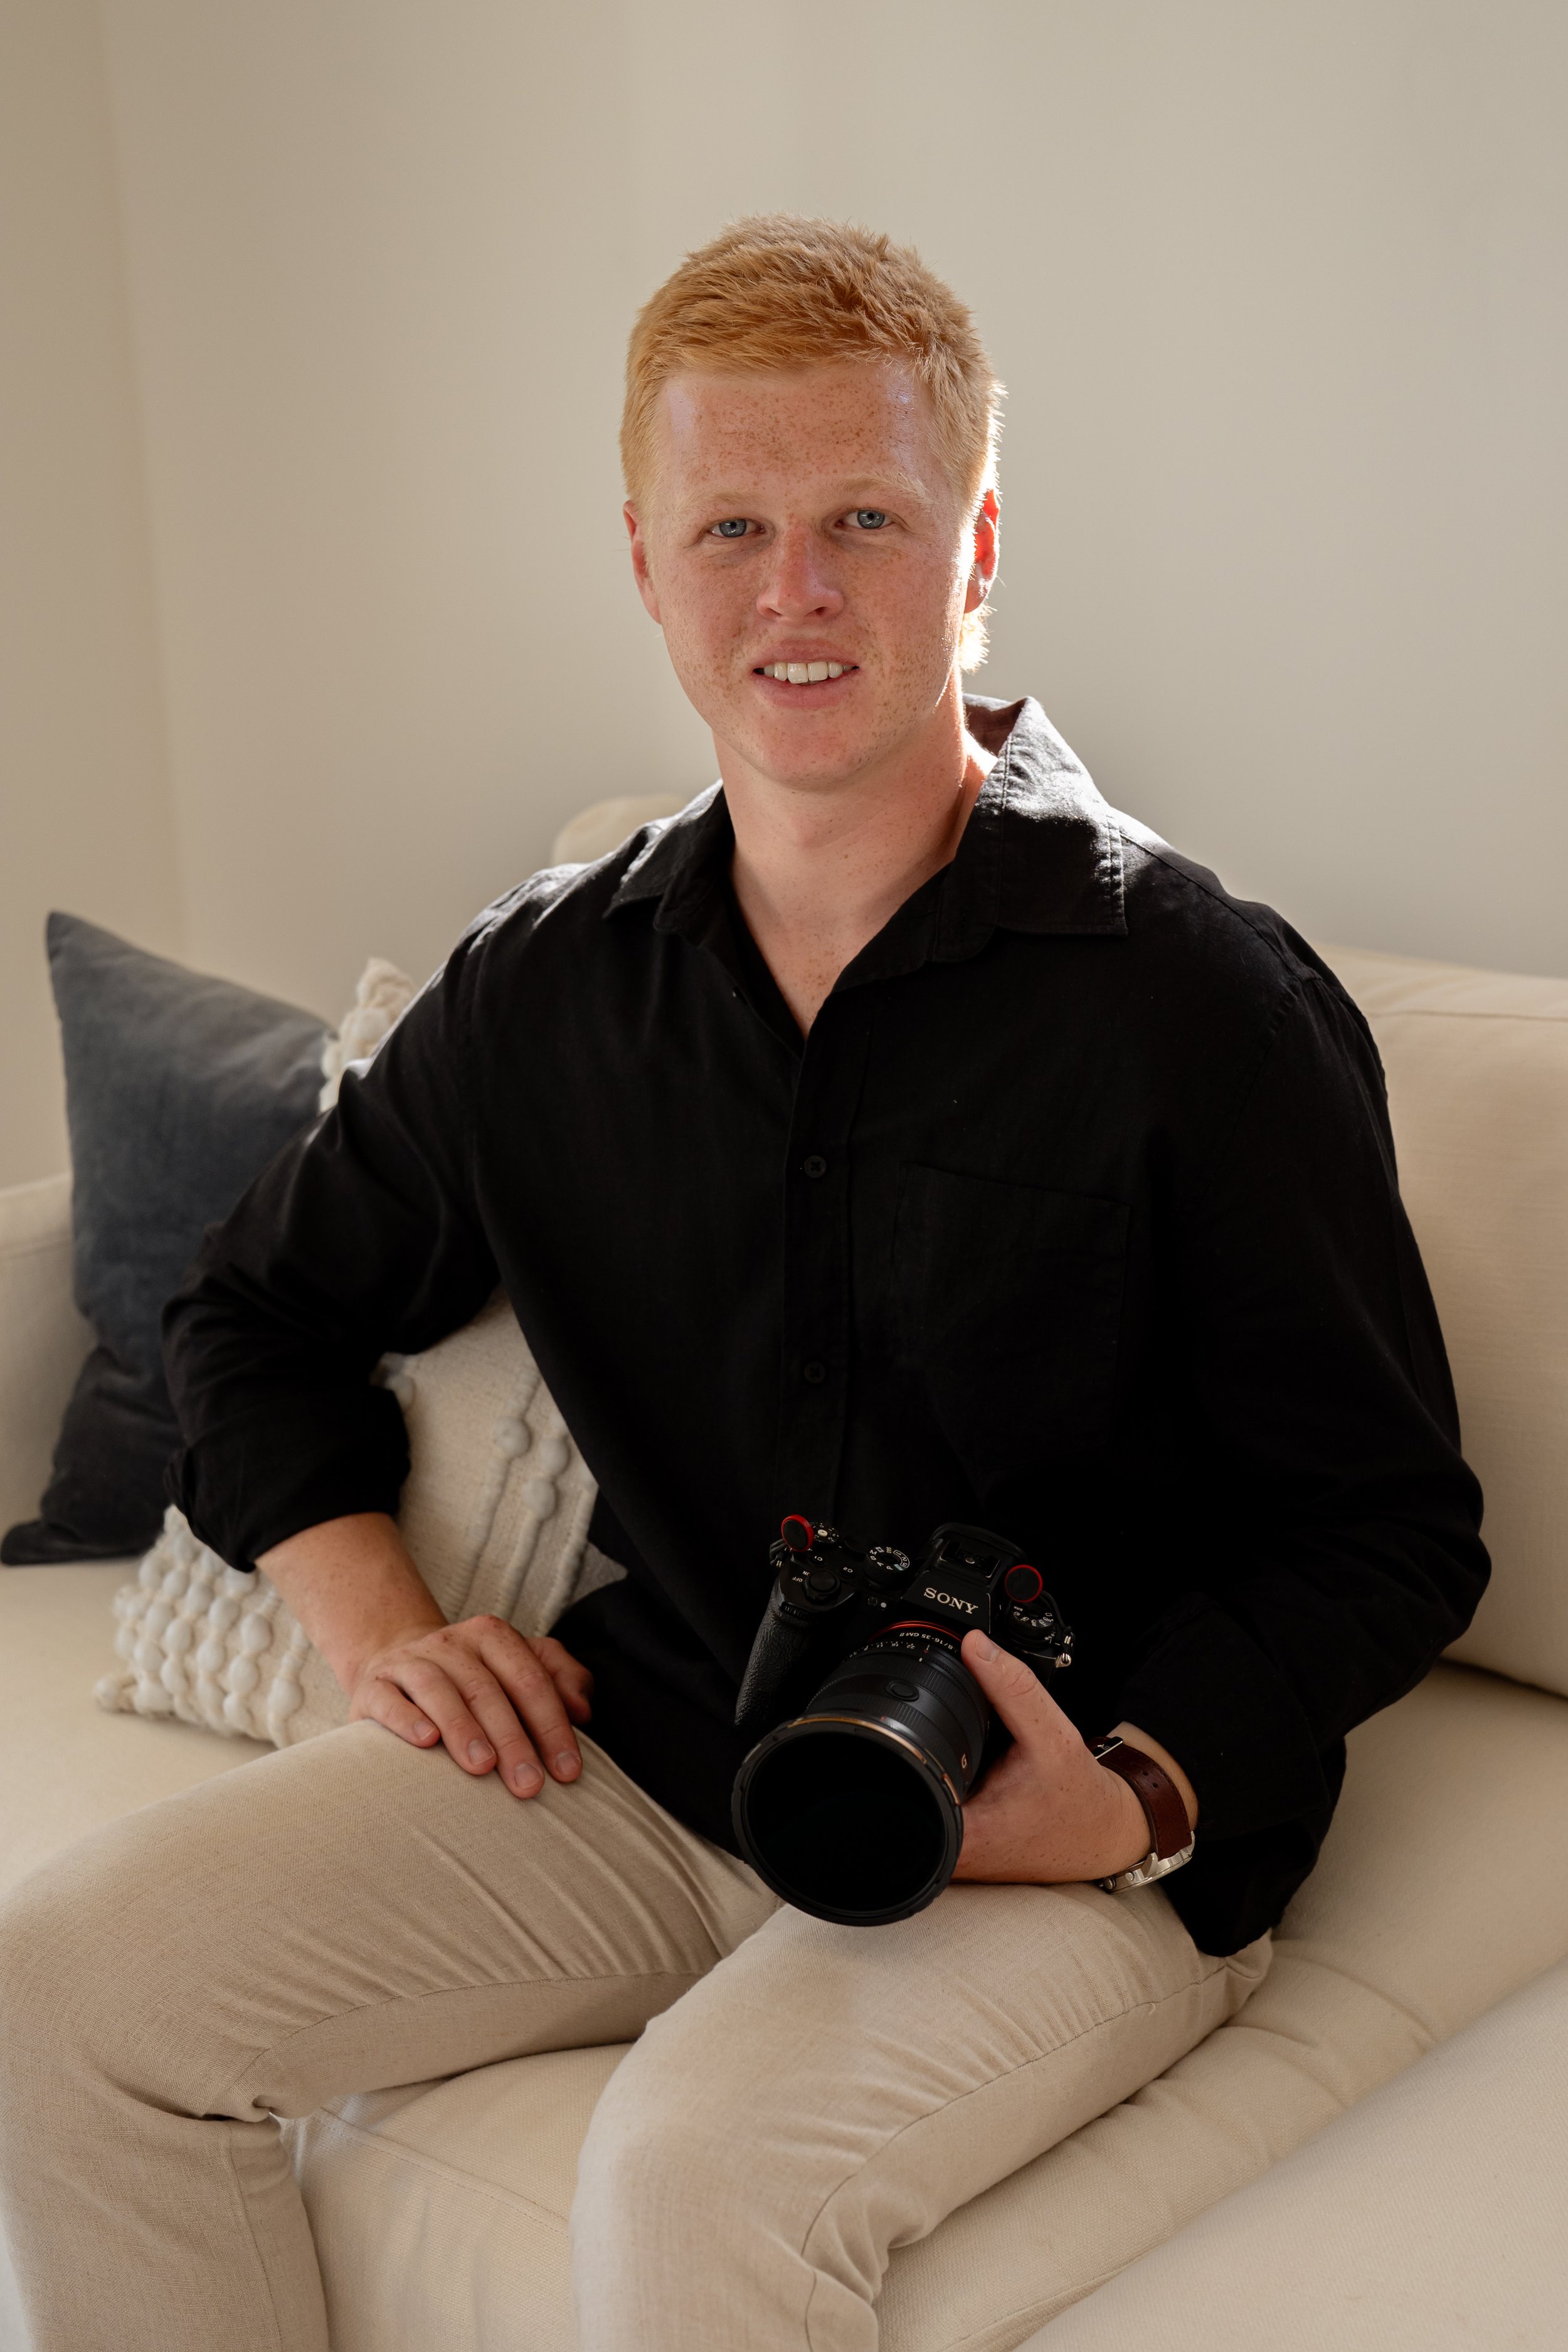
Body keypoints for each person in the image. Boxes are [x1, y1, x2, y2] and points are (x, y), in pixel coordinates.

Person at [0, 216, 1486, 2352]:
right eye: (732, 526)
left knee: (692, 2174)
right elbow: (255, 1309)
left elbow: (1386, 1533)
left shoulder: (1198, 1001)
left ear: (973, 542)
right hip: (657, 1741)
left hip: (1067, 1826)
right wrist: (374, 1626)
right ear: (643, 563)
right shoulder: (540, 990)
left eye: (863, 519)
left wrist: (1141, 1789)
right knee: (68, 1986)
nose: (794, 590)